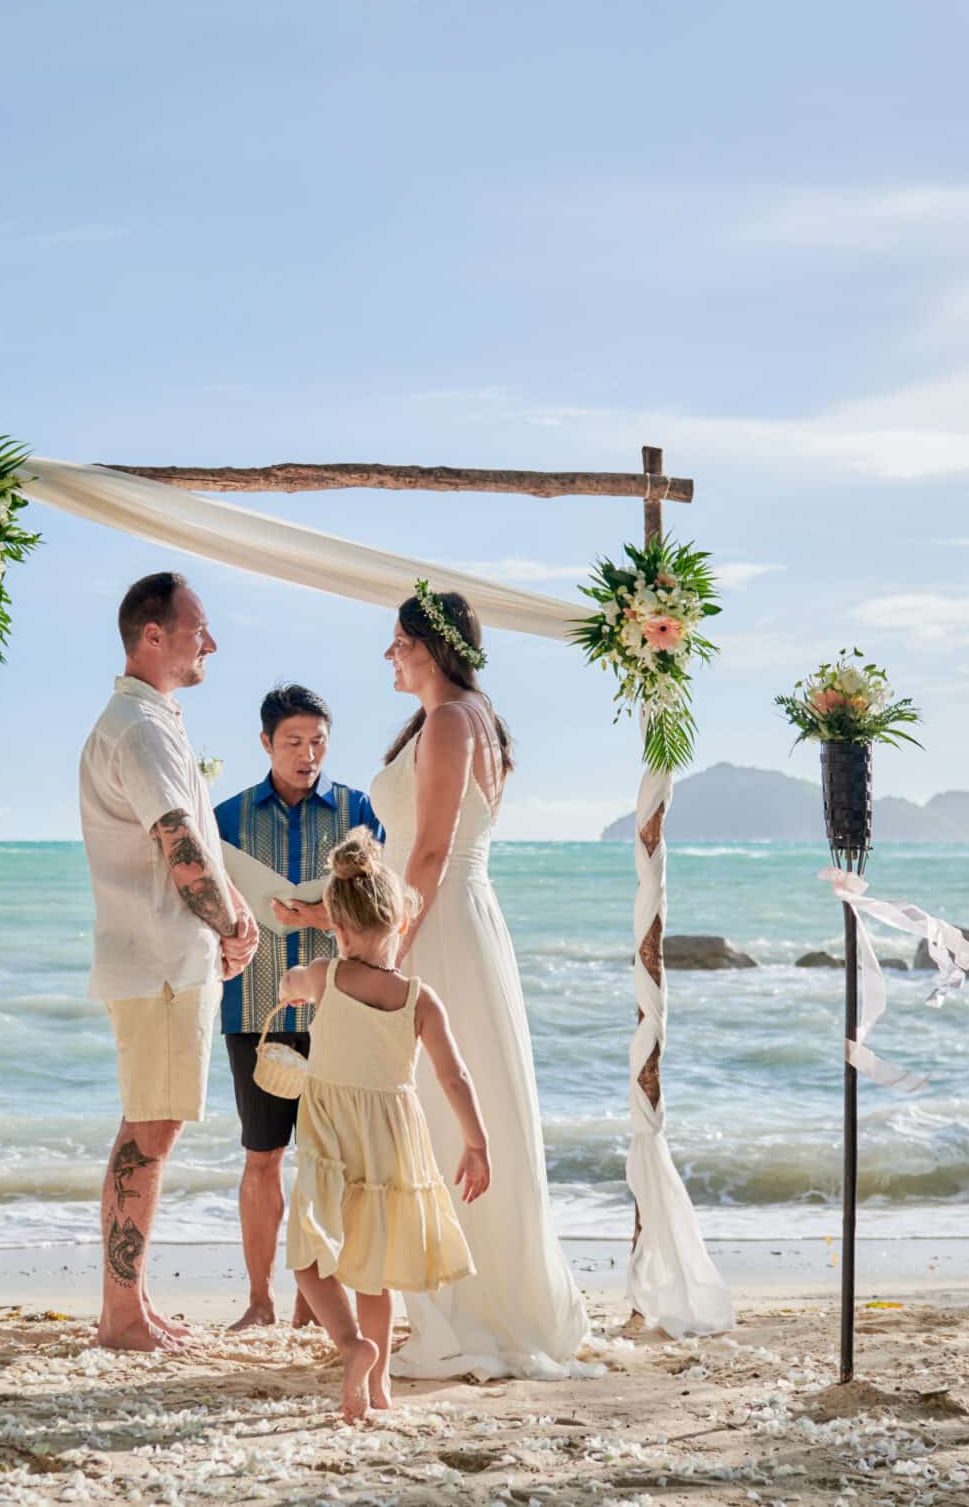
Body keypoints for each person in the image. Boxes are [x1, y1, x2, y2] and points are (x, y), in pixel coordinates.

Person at [277, 587, 596, 1380]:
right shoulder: (457, 717)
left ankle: (465, 1311)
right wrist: (325, 910)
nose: (389, 654)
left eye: (399, 641)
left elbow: (428, 853)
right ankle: (461, 1299)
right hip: (445, 916)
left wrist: (386, 955)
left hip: (438, 923)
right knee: (440, 1106)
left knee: (427, 1115)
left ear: (434, 646)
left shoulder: (453, 720)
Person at [77, 571, 259, 1352]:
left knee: (149, 1126)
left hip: (162, 958)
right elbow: (179, 846)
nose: (210, 641)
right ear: (153, 635)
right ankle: (121, 1315)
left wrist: (230, 920)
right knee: (148, 1132)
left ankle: (134, 1301)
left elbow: (192, 841)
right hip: (157, 961)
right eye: (198, 627)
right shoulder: (138, 729)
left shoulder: (150, 720)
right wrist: (233, 924)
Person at [279, 829, 487, 1423]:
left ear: (337, 928)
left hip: (331, 1141)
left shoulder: (326, 976)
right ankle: (379, 1389)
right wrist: (476, 1142)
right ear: (400, 922)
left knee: (309, 1259)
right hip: (391, 1142)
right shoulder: (420, 999)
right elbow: (454, 1077)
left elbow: (291, 985)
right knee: (375, 1274)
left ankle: (353, 1347)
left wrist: (294, 989)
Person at [212, 683, 384, 1331]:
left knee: (331, 1161)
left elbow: (384, 906)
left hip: (340, 1009)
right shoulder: (225, 818)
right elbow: (198, 899)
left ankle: (315, 1306)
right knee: (263, 1155)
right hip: (253, 1009)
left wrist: (319, 915)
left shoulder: (358, 811)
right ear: (265, 742)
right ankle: (259, 1302)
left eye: (317, 741)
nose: (307, 754)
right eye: (293, 742)